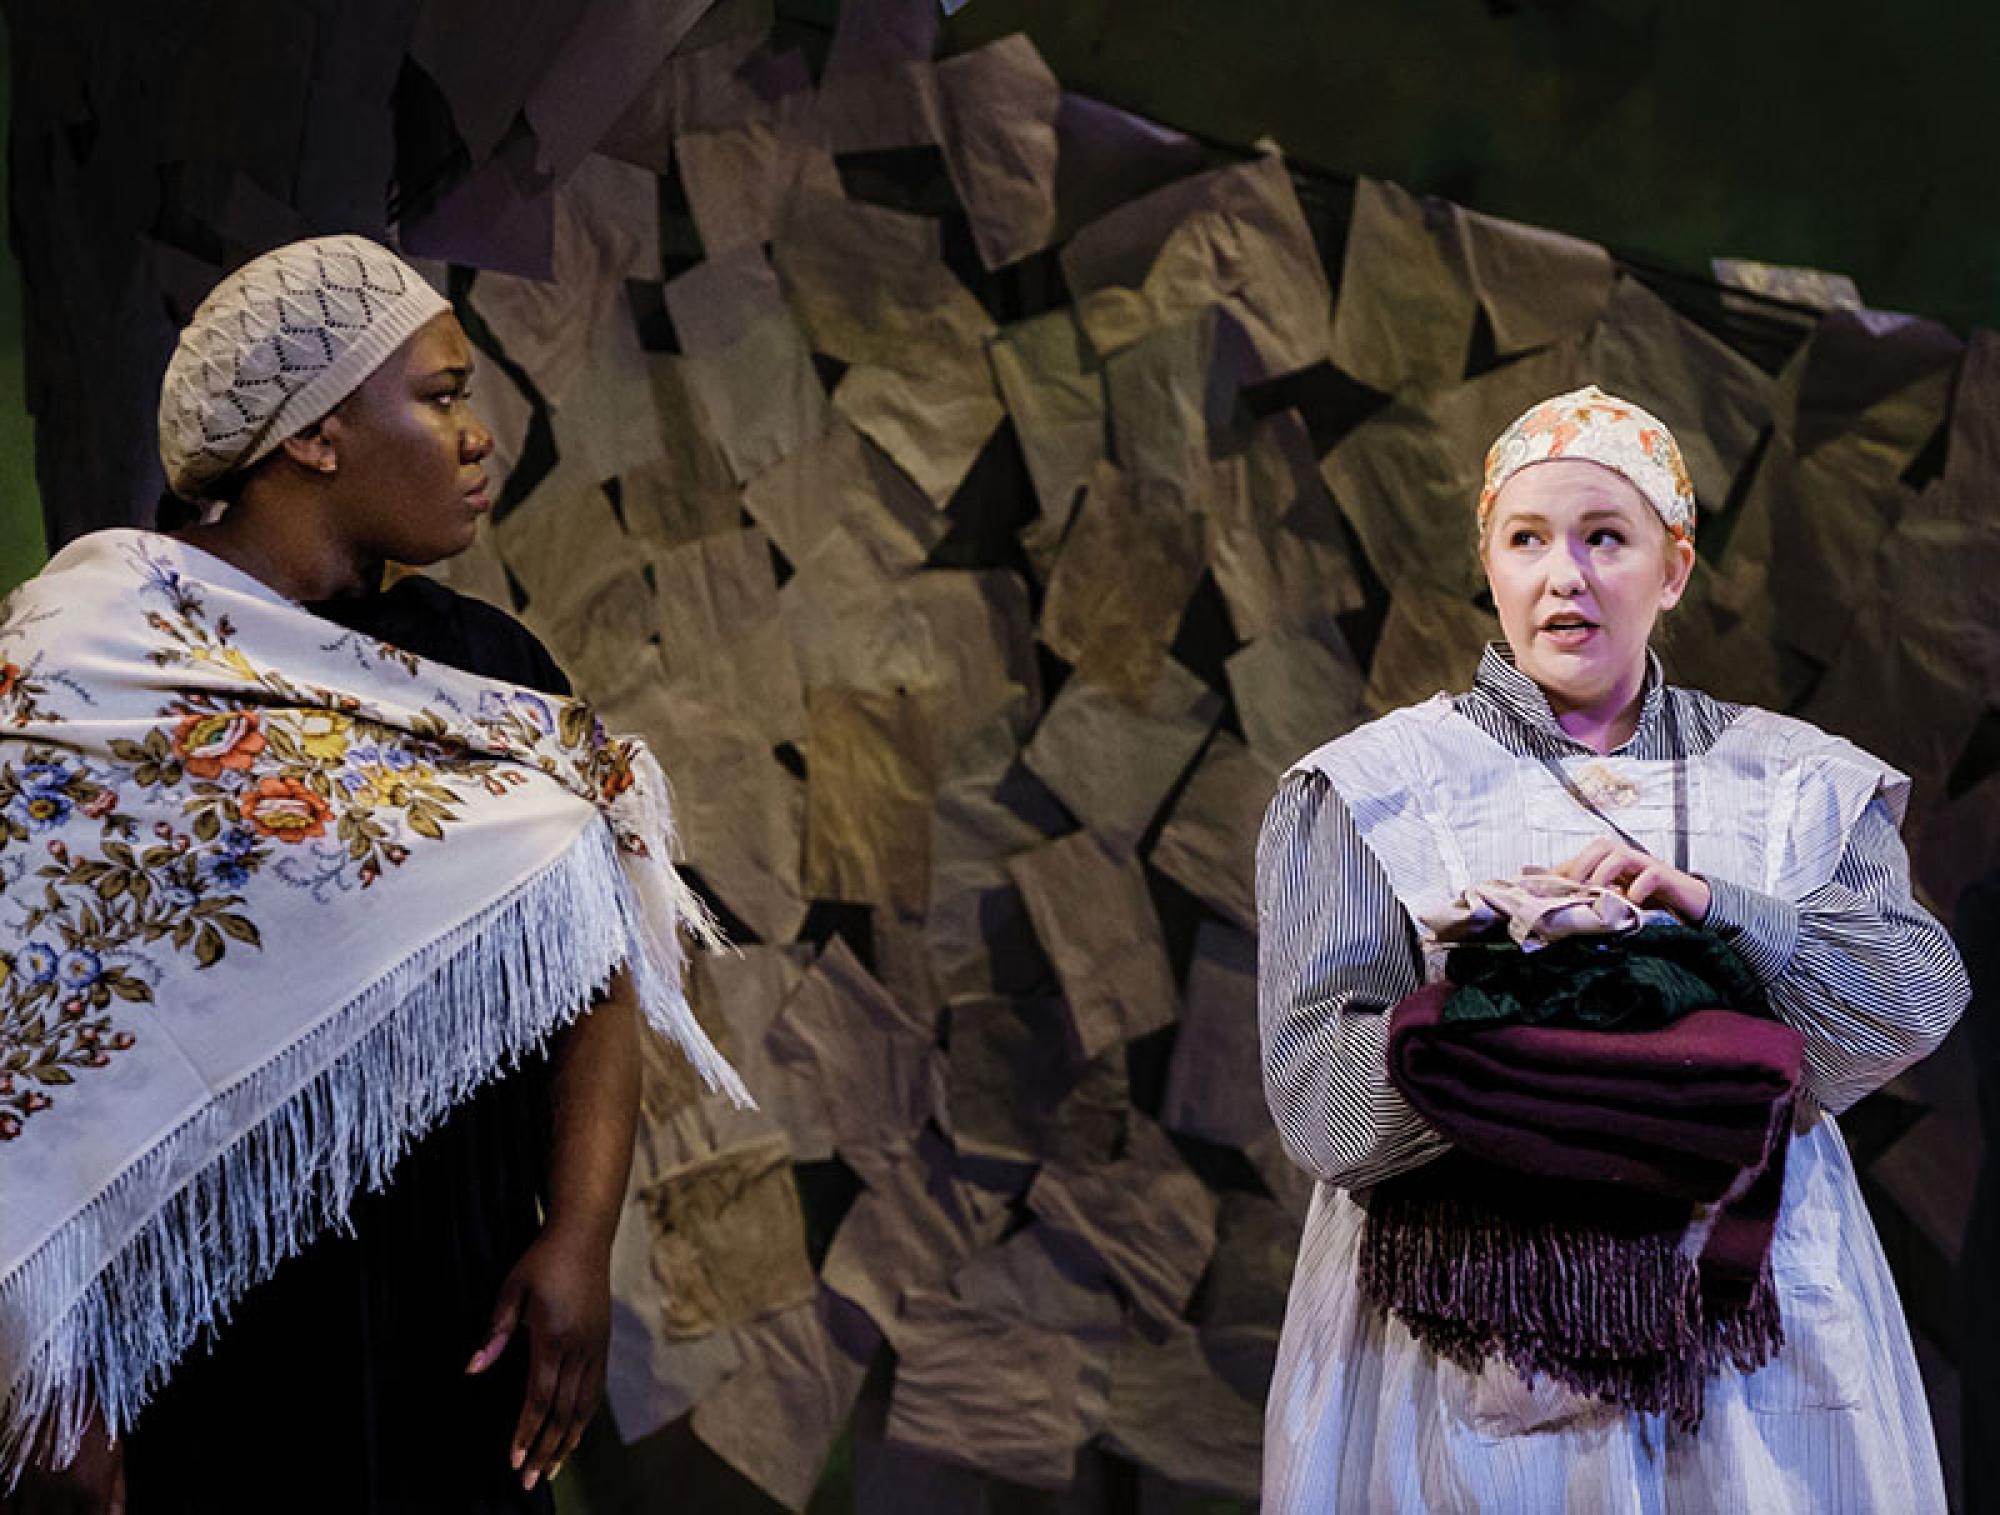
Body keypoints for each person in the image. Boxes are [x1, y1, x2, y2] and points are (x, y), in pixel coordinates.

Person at [0, 235, 745, 1512]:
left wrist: (578, 1232)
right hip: (207, 1340)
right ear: (315, 435)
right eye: (440, 394)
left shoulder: (484, 671)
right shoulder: (88, 662)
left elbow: (595, 960)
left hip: (451, 1323)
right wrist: (44, 1388)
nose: (475, 435)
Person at [1256, 386, 1969, 1511]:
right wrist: (1500, 1033)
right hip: (1456, 1325)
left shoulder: (1792, 783)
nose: (1563, 577)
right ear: (1486, 558)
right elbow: (1314, 1095)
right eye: (1525, 539)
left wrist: (1716, 911)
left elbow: (1907, 993)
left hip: (1744, 1325)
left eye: (1604, 539)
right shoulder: (1368, 789)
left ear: (1671, 568)